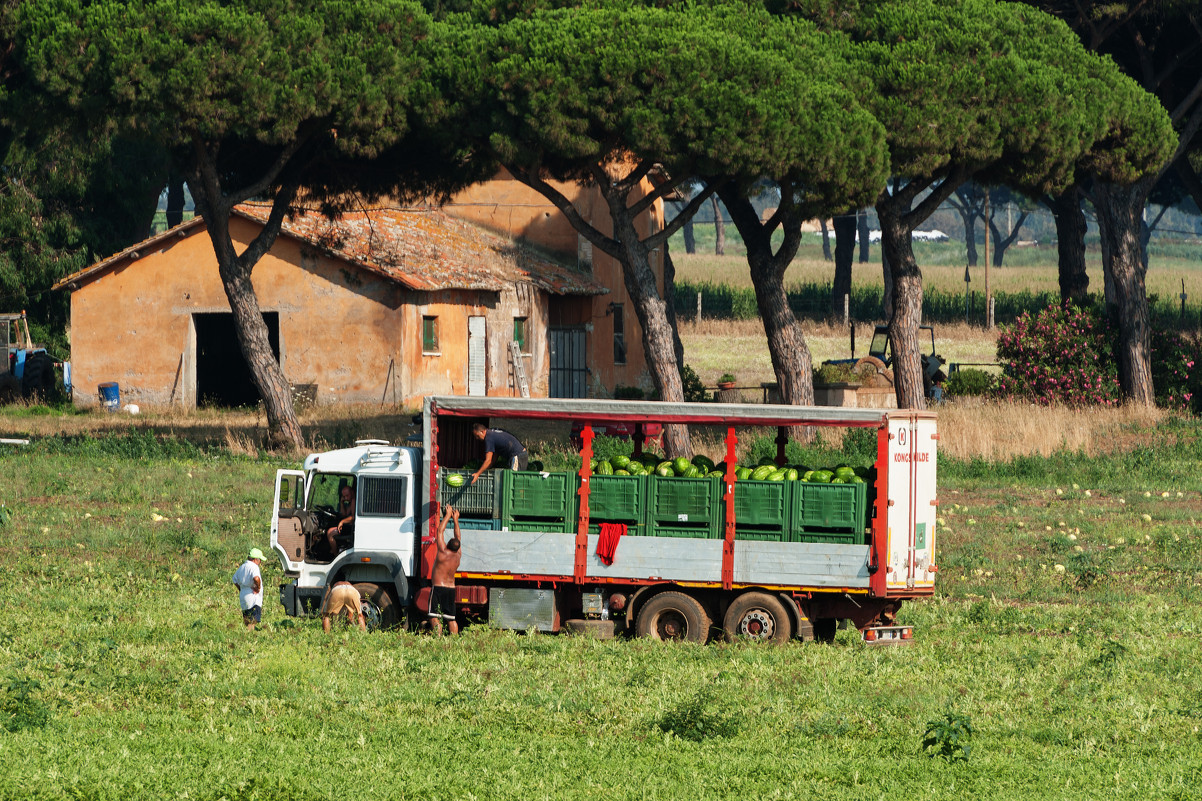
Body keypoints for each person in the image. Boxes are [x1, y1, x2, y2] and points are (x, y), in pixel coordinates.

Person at [429, 505, 463, 635]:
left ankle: (438, 639)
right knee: (451, 618)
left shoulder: (443, 552)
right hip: (451, 589)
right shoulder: (458, 555)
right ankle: (453, 641)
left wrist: (448, 515)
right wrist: (456, 520)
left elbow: (439, 531)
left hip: (438, 587)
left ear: (447, 544)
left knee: (434, 616)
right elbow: (458, 537)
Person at [231, 547, 265, 631]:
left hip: (244, 594)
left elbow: (234, 579)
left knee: (247, 616)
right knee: (252, 619)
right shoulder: (253, 567)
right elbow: (256, 578)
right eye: (260, 560)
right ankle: (250, 635)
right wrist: (258, 588)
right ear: (255, 559)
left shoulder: (242, 567)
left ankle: (249, 633)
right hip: (252, 595)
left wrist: (241, 589)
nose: (260, 562)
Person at [324, 484, 355, 556]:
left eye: (347, 495)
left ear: (352, 492)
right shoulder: (351, 501)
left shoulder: (354, 501)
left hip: (350, 528)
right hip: (347, 525)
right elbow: (344, 514)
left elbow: (353, 517)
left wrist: (342, 522)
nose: (346, 498)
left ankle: (335, 555)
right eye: (344, 496)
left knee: (330, 533)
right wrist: (341, 502)